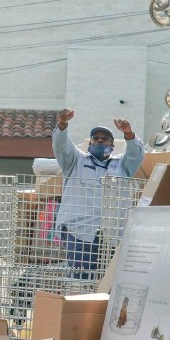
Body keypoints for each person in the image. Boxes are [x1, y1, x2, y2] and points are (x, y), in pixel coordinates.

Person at [52, 109, 144, 278]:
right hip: (79, 230)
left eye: (105, 139)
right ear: (89, 143)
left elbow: (136, 154)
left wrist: (128, 134)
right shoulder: (76, 160)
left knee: (108, 280)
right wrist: (63, 124)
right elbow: (61, 146)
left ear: (112, 146)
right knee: (81, 279)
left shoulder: (122, 165)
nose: (100, 141)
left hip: (112, 234)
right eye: (96, 139)